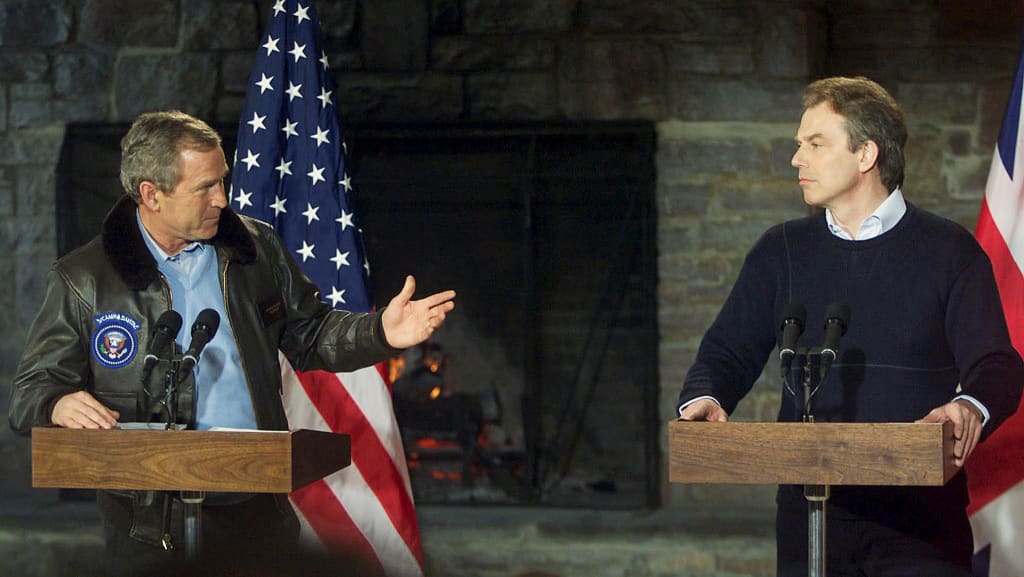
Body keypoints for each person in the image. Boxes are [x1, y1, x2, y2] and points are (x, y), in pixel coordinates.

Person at [7, 110, 455, 576]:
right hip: (148, 521)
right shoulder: (85, 279)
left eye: (222, 180)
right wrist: (56, 402)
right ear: (151, 194)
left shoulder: (254, 250)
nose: (223, 199)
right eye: (205, 187)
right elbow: (31, 391)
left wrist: (382, 331)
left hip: (254, 508)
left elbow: (314, 334)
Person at [676, 77, 1024, 576]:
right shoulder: (781, 251)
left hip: (919, 524)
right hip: (810, 518)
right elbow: (726, 353)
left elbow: (998, 365)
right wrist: (705, 396)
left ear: (865, 154)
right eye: (800, 144)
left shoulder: (950, 253)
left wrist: (969, 406)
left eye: (815, 144)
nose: (797, 158)